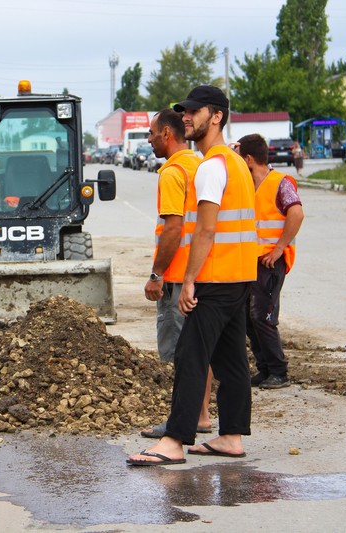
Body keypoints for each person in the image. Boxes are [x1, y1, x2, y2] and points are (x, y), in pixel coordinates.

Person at [127, 85, 257, 466]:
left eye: (194, 111)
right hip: (239, 275)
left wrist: (187, 281)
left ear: (216, 116)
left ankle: (173, 441)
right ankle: (231, 436)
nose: (187, 118)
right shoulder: (234, 163)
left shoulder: (213, 166)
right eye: (184, 112)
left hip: (215, 278)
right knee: (231, 357)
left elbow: (205, 230)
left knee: (190, 355)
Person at [140, 108, 214, 439]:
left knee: (182, 353)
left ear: (167, 134)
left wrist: (156, 275)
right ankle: (201, 415)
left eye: (152, 134)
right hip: (202, 272)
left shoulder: (172, 172)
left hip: (176, 277)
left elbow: (173, 228)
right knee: (201, 349)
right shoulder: (199, 165)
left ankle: (181, 421)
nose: (150, 140)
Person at [236, 134, 304, 390]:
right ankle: (265, 369)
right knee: (246, 317)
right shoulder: (247, 185)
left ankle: (278, 371)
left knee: (262, 316)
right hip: (249, 261)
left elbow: (296, 213)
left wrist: (278, 250)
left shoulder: (280, 183)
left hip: (269, 262)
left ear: (249, 159)